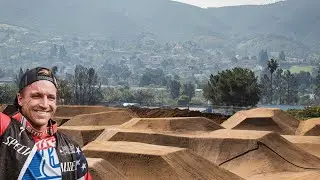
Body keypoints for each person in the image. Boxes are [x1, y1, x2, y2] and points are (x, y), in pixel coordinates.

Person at [0, 67, 92, 180]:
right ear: (20, 99)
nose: (44, 104)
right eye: (36, 96)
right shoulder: (5, 128)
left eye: (51, 98)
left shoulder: (71, 147)